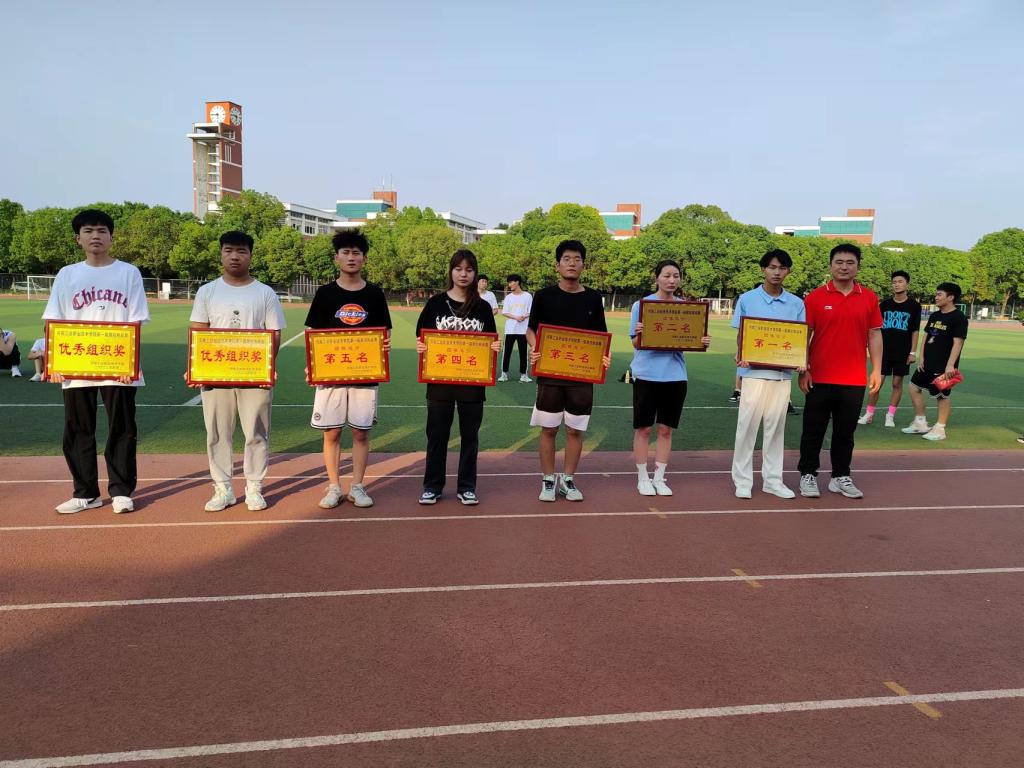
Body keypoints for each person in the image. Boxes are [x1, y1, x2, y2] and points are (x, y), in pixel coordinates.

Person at [42, 209, 150, 514]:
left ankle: (121, 491)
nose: (96, 236)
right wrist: (54, 363)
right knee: (77, 429)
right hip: (76, 365)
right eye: (88, 231)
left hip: (118, 366)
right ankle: (86, 493)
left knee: (122, 429)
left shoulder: (128, 273)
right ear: (78, 239)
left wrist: (130, 364)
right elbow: (53, 320)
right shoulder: (67, 274)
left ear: (112, 237)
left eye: (102, 231)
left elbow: (136, 320)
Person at [188, 231, 286, 512]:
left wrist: (268, 367)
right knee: (217, 433)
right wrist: (193, 368)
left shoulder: (265, 293)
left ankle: (254, 487)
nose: (234, 256)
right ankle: (223, 488)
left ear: (250, 256)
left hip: (254, 375)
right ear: (220, 254)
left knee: (256, 431)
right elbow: (198, 330)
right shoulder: (207, 291)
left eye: (241, 251)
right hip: (215, 375)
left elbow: (273, 333)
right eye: (228, 250)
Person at [305, 230, 392, 509]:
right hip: (330, 375)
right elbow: (313, 334)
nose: (351, 257)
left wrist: (384, 346)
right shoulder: (325, 293)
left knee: (360, 432)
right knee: (331, 432)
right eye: (346, 252)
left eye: (356, 253)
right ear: (337, 257)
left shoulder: (374, 294)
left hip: (364, 375)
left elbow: (385, 333)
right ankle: (334, 486)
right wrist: (312, 366)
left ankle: (357, 486)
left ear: (364, 258)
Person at [527, 239, 611, 502]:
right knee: (549, 429)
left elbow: (600, 336)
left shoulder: (593, 298)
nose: (572, 263)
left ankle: (568, 480)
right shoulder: (543, 296)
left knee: (575, 430)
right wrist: (535, 348)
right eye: (566, 259)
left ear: (583, 265)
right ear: (557, 265)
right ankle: (548, 480)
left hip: (581, 375)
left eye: (577, 259)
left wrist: (604, 356)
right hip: (550, 374)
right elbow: (531, 330)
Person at [797, 243, 882, 499]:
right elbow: (804, 335)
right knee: (813, 430)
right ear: (831, 265)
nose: (844, 267)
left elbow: (874, 334)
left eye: (850, 262)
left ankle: (840, 476)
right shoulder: (815, 297)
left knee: (845, 433)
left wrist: (876, 369)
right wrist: (804, 368)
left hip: (853, 378)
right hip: (819, 376)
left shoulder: (869, 297)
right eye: (839, 262)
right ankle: (808, 474)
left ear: (858, 266)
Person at [416, 250, 500, 505]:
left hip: (472, 384)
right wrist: (421, 346)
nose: (463, 274)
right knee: (437, 436)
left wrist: (495, 347)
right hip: (440, 382)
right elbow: (422, 336)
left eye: (469, 270)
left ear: (475, 274)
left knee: (470, 437)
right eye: (458, 269)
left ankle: (467, 486)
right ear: (451, 271)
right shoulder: (435, 303)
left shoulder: (483, 307)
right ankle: (432, 486)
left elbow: (491, 340)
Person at [629, 260, 711, 496]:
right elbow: (635, 342)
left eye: (676, 276)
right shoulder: (641, 306)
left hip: (675, 376)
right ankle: (643, 478)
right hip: (646, 374)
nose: (672, 280)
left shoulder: (686, 308)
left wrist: (702, 341)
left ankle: (659, 478)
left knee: (665, 429)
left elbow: (691, 340)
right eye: (666, 275)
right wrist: (641, 334)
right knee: (644, 428)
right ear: (657, 278)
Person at [731, 249, 806, 499]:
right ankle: (742, 481)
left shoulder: (796, 303)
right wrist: (741, 354)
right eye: (772, 267)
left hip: (782, 376)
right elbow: (741, 334)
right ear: (763, 269)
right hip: (753, 373)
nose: (777, 272)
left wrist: (800, 361)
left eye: (782, 268)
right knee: (746, 428)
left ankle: (773, 481)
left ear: (788, 271)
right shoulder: (747, 299)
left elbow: (799, 339)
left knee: (775, 430)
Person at [901, 282, 968, 441]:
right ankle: (920, 423)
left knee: (941, 395)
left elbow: (958, 342)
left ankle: (940, 429)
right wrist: (922, 357)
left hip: (944, 365)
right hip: (928, 362)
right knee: (913, 386)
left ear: (950, 297)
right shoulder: (935, 315)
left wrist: (950, 365)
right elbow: (926, 336)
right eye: (936, 294)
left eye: (939, 294)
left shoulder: (959, 318)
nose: (936, 297)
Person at [858, 271, 921, 427]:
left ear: (907, 284)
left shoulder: (914, 306)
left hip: (902, 351)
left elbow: (915, 330)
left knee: (896, 384)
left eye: (900, 281)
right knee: (876, 383)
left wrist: (912, 352)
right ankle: (869, 414)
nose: (897, 284)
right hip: (883, 351)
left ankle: (890, 416)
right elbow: (875, 329)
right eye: (894, 282)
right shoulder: (884, 305)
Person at [498, 273, 532, 382]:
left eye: (511, 282)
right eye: (509, 282)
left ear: (517, 282)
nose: (509, 285)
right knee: (506, 352)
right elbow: (505, 312)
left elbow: (530, 311)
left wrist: (524, 316)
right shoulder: (509, 297)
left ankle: (524, 375)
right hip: (510, 329)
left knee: (523, 352)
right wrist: (516, 317)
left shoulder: (527, 296)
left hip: (523, 330)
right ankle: (504, 374)